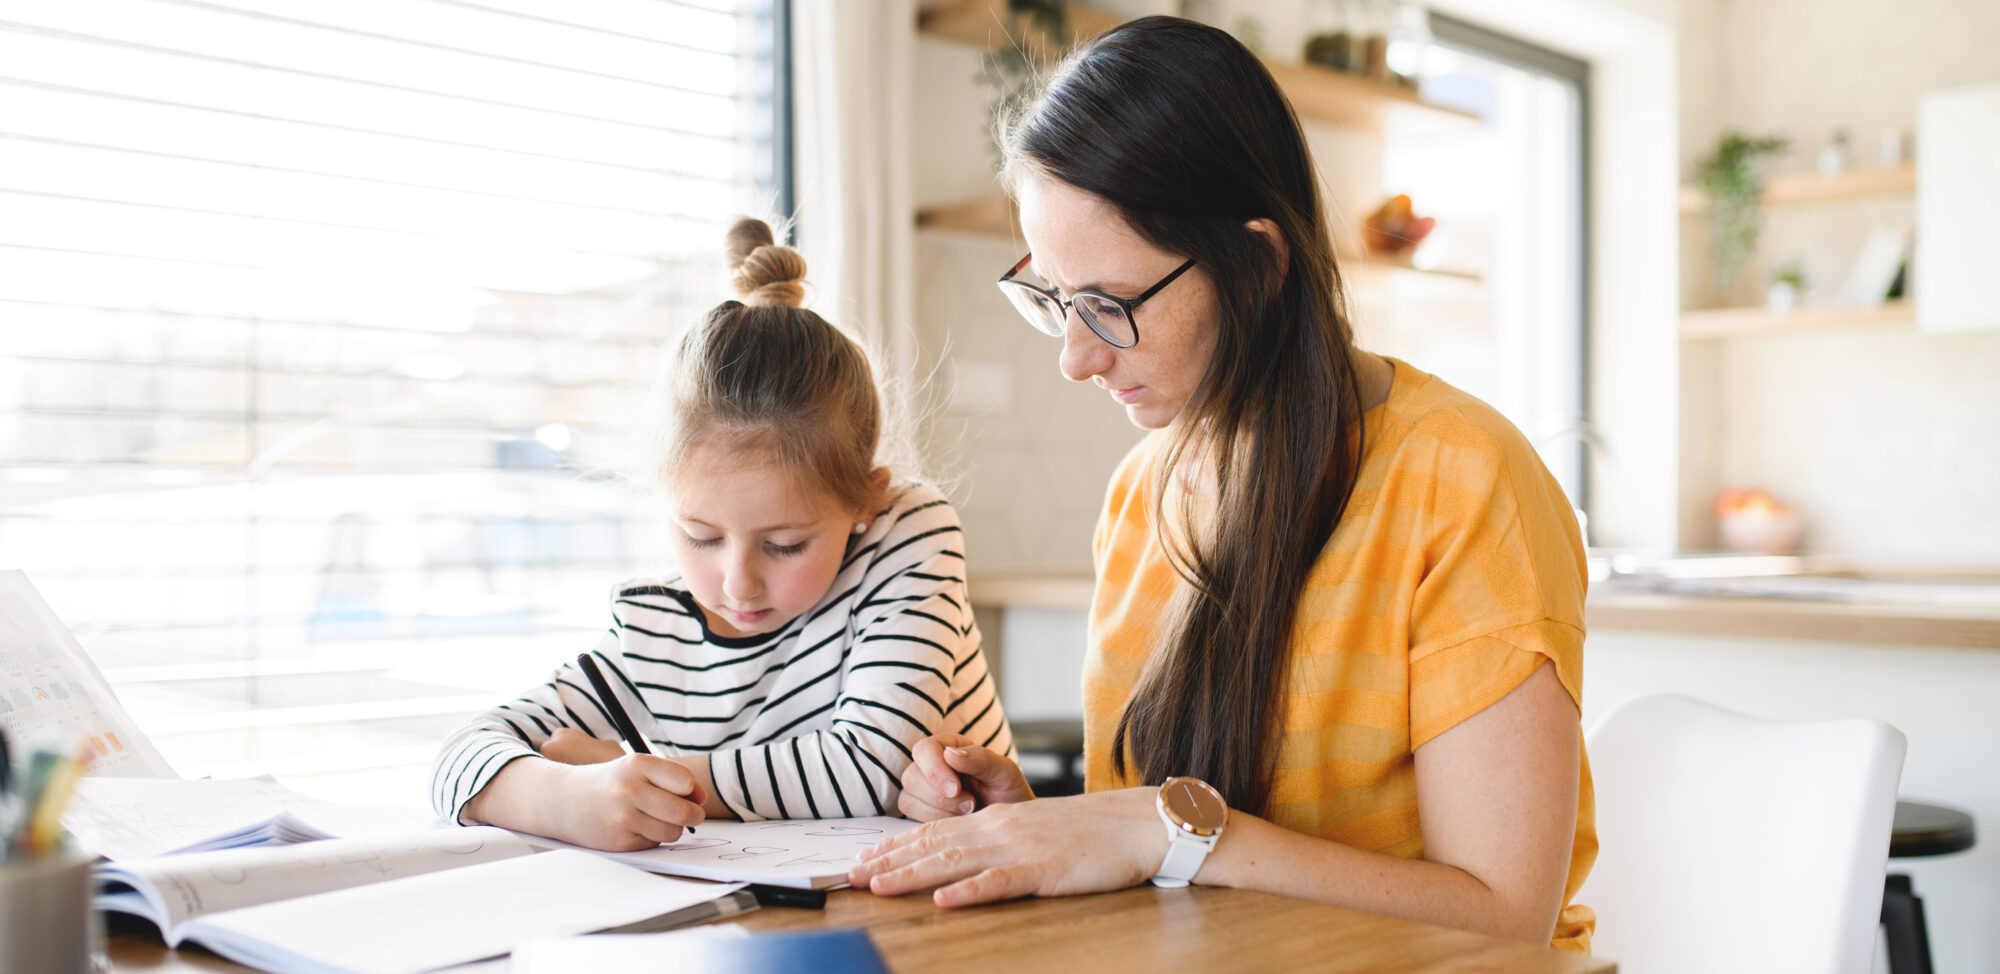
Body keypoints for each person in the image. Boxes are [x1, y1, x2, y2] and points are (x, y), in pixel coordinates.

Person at [846, 16, 1597, 952]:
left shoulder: (1464, 481)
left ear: (1260, 265)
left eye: (1109, 305)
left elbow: (1503, 917)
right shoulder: (1140, 496)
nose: (1075, 358)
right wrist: (1042, 821)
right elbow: (1183, 862)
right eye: (1054, 301)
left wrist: (1168, 829)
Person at [430, 217, 1013, 851]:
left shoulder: (907, 535)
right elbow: (458, 759)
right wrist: (565, 797)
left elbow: (871, 765)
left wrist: (640, 779)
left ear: (864, 500)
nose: (737, 582)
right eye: (701, 537)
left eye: (785, 544)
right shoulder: (655, 626)